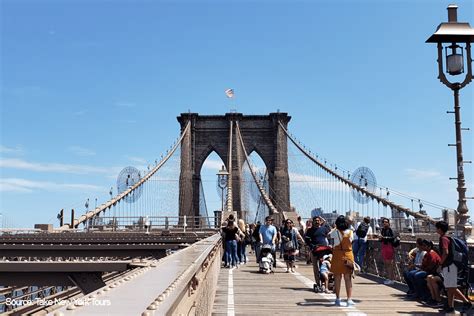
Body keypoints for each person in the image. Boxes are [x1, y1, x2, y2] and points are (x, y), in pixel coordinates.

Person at [435, 221, 472, 313]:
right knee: (449, 287)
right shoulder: (449, 237)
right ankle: (450, 307)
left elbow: (446, 252)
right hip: (451, 265)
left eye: (437, 228)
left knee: (451, 287)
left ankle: (466, 302)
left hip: (449, 265)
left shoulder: (443, 238)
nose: (436, 230)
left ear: (440, 229)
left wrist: (440, 264)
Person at [329, 215, 356, 306]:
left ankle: (337, 299)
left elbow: (330, 235)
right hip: (348, 254)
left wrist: (335, 228)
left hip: (337, 255)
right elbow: (352, 241)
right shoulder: (350, 232)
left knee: (337, 278)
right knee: (348, 278)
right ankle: (349, 300)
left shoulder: (335, 232)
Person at [305, 216, 331, 290]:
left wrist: (330, 245)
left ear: (320, 221)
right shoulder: (310, 230)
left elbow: (330, 236)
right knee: (315, 268)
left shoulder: (324, 229)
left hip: (324, 250)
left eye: (318, 220)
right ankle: (318, 283)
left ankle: (323, 283)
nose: (317, 222)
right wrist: (312, 246)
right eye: (315, 220)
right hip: (314, 250)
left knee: (323, 266)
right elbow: (307, 240)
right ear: (313, 222)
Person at [380, 218, 395, 285]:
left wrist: (384, 238)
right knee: (386, 263)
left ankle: (391, 279)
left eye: (386, 222)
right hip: (384, 246)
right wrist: (380, 238)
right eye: (383, 222)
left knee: (390, 263)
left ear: (388, 223)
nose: (384, 223)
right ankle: (389, 278)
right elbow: (382, 238)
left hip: (389, 246)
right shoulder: (383, 229)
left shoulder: (390, 229)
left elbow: (393, 238)